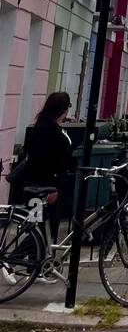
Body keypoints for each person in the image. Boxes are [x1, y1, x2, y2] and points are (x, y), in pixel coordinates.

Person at [19, 92, 75, 247]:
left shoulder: (40, 126)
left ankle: (35, 264)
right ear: (63, 110)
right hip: (43, 188)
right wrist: (53, 187)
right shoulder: (54, 133)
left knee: (36, 226)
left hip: (34, 185)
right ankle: (23, 259)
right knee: (42, 230)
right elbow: (54, 162)